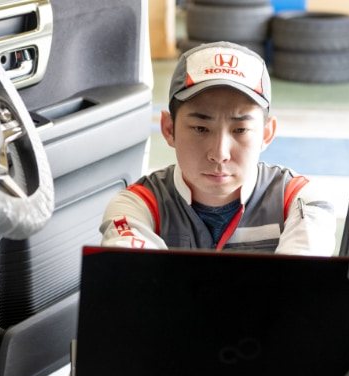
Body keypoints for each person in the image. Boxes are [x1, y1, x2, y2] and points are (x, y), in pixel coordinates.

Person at [100, 41, 336, 255]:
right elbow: (133, 285)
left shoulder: (299, 200)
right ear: (169, 129)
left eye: (240, 130)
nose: (219, 154)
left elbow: (303, 288)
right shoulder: (136, 206)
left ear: (266, 133)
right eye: (201, 128)